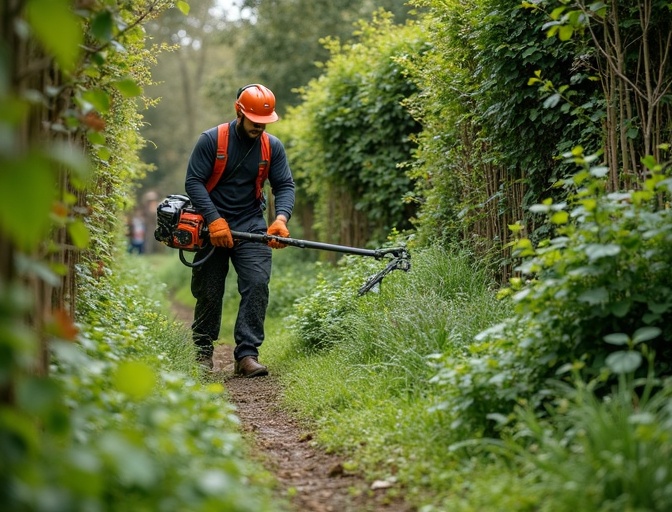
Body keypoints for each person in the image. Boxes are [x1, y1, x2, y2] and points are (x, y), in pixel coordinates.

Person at [184, 84, 295, 377]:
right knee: (209, 290)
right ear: (239, 112)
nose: (259, 127)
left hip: (250, 223)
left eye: (264, 123)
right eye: (254, 122)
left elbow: (284, 185)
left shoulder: (273, 147)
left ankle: (247, 355)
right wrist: (214, 220)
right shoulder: (211, 140)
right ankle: (202, 353)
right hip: (211, 225)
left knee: (257, 283)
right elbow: (193, 182)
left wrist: (281, 219)